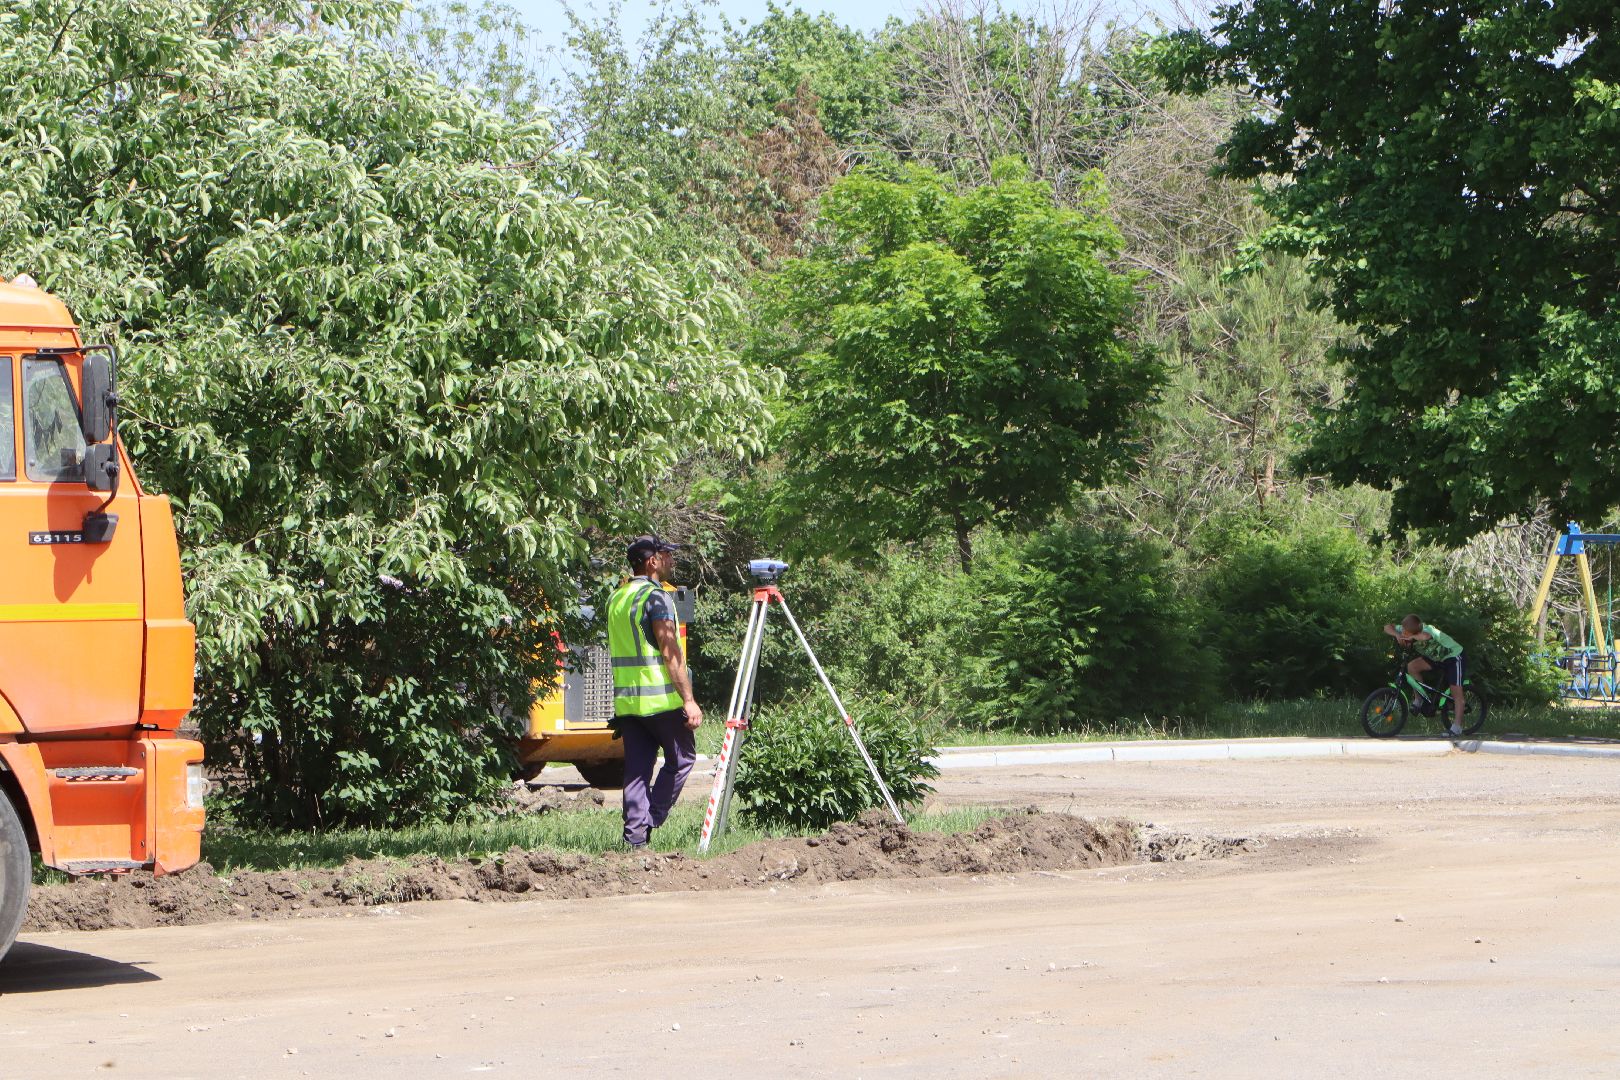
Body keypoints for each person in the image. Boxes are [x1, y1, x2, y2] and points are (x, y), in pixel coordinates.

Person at [606, 535, 703, 848]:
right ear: (652, 561)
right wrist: (688, 700)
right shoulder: (657, 597)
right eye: (666, 555)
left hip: (629, 704)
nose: (670, 560)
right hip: (660, 701)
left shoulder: (616, 598)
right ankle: (650, 817)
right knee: (683, 758)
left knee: (636, 771)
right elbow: (669, 650)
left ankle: (635, 841)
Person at [1382, 614, 1468, 736]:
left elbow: (1426, 636)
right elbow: (1387, 627)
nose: (1403, 633)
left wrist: (1411, 637)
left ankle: (1457, 727)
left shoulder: (1427, 630)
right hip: (1437, 657)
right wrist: (1397, 634)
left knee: (1456, 692)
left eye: (1405, 632)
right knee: (1412, 667)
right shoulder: (1407, 628)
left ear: (1413, 630)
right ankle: (1419, 699)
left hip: (1454, 656)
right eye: (1403, 631)